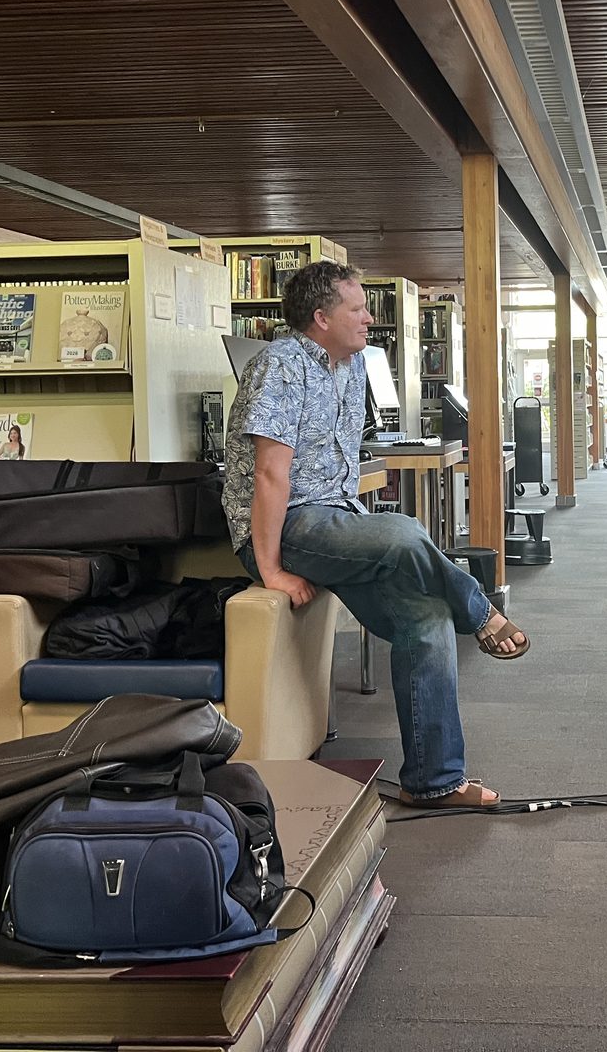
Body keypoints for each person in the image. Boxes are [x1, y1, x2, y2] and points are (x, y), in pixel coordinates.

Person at [222, 261, 529, 809]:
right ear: (321, 318)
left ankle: (435, 781)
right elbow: (270, 475)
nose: (370, 318)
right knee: (406, 532)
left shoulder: (350, 365)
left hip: (336, 517)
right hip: (287, 525)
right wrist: (268, 568)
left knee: (425, 617)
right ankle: (480, 611)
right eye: (357, 308)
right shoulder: (280, 367)